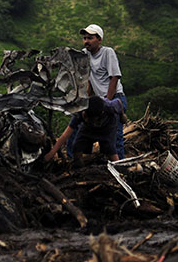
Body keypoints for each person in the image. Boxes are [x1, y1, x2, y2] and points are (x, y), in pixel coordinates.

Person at [80, 23, 128, 159]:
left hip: (114, 98)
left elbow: (114, 78)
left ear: (99, 39)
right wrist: (86, 102)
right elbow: (89, 79)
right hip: (98, 101)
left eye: (90, 38)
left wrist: (107, 101)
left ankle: (120, 167)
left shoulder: (107, 52)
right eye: (84, 38)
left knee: (114, 135)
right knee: (86, 131)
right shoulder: (85, 55)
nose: (86, 41)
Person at [44, 96, 123, 164]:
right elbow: (65, 135)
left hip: (108, 128)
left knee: (110, 149)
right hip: (87, 129)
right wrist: (51, 153)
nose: (85, 118)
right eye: (85, 117)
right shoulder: (80, 112)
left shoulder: (109, 106)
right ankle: (78, 167)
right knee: (77, 146)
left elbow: (119, 102)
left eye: (91, 119)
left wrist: (122, 116)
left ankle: (118, 168)